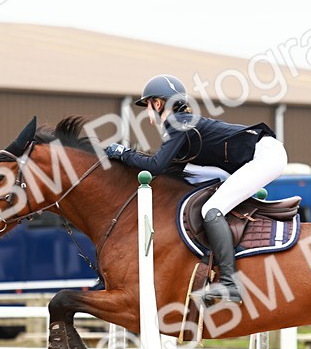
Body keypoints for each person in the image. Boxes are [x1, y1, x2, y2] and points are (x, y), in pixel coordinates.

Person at [105, 74, 288, 305]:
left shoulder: (177, 122)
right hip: (265, 154)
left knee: (212, 209)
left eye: (147, 106)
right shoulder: (182, 125)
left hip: (266, 156)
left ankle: (230, 284)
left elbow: (156, 165)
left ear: (158, 104)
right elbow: (168, 172)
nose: (147, 113)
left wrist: (122, 153)